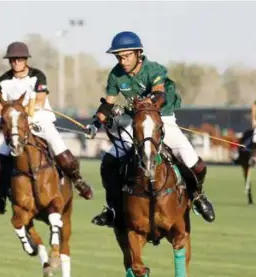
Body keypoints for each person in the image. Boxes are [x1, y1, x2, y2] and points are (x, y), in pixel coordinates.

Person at [85, 31, 215, 226]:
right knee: (109, 162)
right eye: (119, 57)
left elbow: (160, 95)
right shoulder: (116, 75)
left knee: (195, 164)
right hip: (136, 124)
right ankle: (112, 209)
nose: (123, 61)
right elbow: (108, 104)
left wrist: (145, 103)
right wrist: (96, 123)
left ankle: (197, 196)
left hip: (162, 120)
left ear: (138, 53)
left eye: (127, 56)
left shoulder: (154, 70)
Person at [0, 41, 93, 215]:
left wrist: (22, 111)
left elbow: (40, 100)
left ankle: (78, 181)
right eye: (12, 59)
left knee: (61, 151)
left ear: (26, 60)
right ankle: (0, 199)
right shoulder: (4, 80)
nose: (16, 62)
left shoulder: (37, 76)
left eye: (19, 59)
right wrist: (1, 116)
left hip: (39, 120)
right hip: (17, 127)